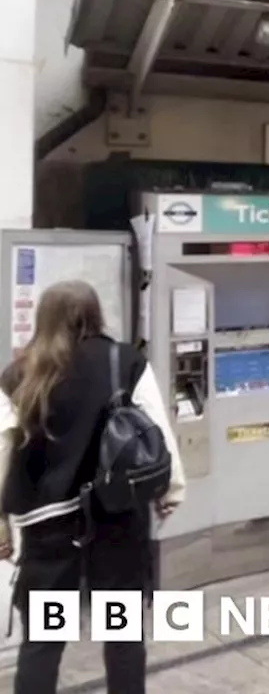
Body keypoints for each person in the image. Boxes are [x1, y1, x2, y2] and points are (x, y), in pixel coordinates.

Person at [0, 280, 186, 694]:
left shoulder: (17, 374)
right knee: (122, 638)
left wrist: (1, 521)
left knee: (43, 643)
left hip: (47, 528)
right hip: (116, 517)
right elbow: (157, 431)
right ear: (95, 313)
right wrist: (170, 491)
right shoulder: (124, 361)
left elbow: (2, 450)